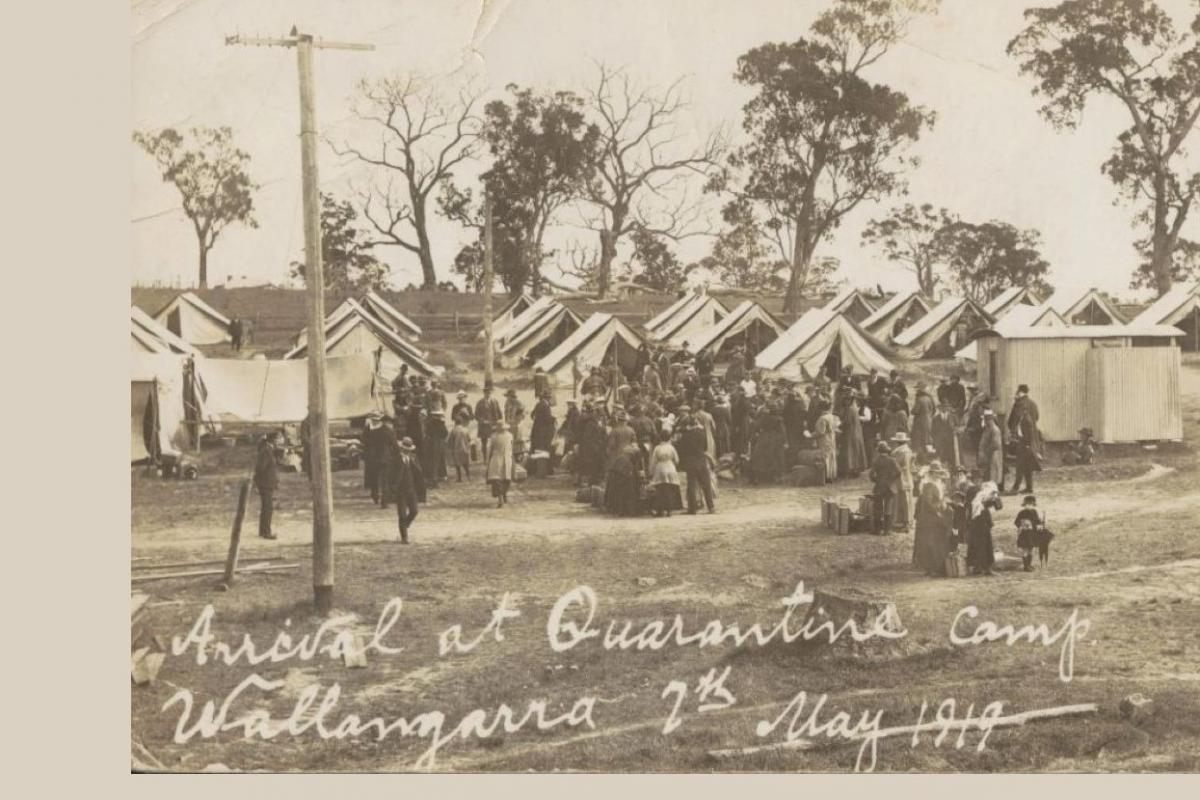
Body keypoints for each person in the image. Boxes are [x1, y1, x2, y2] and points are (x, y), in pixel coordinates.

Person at [913, 469, 954, 576]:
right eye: (935, 474)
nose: (938, 476)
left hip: (932, 518)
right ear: (931, 475)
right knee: (932, 544)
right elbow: (928, 502)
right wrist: (938, 512)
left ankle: (935, 568)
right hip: (930, 519)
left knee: (934, 543)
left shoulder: (935, 485)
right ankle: (932, 568)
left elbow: (936, 500)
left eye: (939, 474)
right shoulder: (929, 486)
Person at [675, 407, 715, 514]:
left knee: (691, 485)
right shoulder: (702, 434)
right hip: (701, 459)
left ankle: (692, 508)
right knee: (706, 484)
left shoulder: (685, 436)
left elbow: (681, 449)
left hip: (690, 461)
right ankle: (711, 506)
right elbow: (706, 447)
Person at [388, 435, 424, 544]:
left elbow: (418, 473)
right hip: (400, 491)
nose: (406, 452)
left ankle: (406, 524)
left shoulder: (413, 458)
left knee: (414, 511)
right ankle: (404, 537)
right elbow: (390, 475)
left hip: (411, 489)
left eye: (408, 450)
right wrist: (392, 487)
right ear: (401, 449)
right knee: (402, 514)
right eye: (405, 450)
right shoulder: (395, 460)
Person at [966, 482, 1003, 576]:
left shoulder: (984, 491)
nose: (977, 479)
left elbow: (998, 506)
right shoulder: (974, 492)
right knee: (980, 544)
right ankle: (979, 567)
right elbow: (975, 507)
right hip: (977, 522)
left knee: (985, 544)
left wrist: (995, 497)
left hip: (983, 522)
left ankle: (983, 567)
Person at [749, 403, 787, 484]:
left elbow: (756, 426)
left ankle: (758, 477)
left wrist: (757, 433)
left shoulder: (764, 418)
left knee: (760, 457)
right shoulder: (779, 419)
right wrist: (785, 441)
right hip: (774, 438)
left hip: (763, 437)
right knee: (774, 457)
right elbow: (783, 431)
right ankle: (773, 477)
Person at [648, 430, 683, 517]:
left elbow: (653, 461)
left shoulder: (657, 448)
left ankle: (660, 510)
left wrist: (651, 471)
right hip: (670, 467)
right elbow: (677, 460)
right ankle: (669, 510)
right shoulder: (671, 447)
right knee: (670, 489)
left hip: (660, 468)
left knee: (660, 490)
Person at [254, 431, 281, 540]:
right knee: (267, 508)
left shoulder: (268, 449)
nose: (280, 440)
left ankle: (263, 531)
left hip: (267, 483)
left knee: (266, 507)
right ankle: (266, 532)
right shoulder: (266, 451)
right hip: (265, 483)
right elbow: (260, 468)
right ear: (273, 439)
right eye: (279, 438)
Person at [1008, 405, 1041, 495]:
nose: (1016, 413)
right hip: (1024, 446)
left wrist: (1024, 444)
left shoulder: (1026, 420)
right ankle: (1029, 488)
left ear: (1023, 410)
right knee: (1027, 468)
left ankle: (1015, 488)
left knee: (1020, 467)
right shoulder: (1023, 419)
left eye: (1018, 410)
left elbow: (1029, 435)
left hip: (1025, 448)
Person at [605, 443, 645, 517]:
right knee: (631, 488)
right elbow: (629, 474)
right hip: (621, 480)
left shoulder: (622, 457)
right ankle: (630, 510)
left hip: (615, 479)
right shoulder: (628, 460)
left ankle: (621, 509)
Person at [868, 441, 899, 536]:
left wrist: (876, 480)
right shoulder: (892, 460)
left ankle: (877, 530)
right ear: (886, 450)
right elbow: (898, 472)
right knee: (888, 508)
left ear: (879, 451)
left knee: (878, 508)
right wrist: (891, 480)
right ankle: (887, 530)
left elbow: (871, 475)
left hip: (879, 486)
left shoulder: (876, 461)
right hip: (889, 487)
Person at [837, 392, 867, 479]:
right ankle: (855, 469)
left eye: (848, 400)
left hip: (851, 433)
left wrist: (839, 424)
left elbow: (847, 422)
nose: (846, 401)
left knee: (850, 451)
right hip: (855, 432)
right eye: (845, 399)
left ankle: (851, 469)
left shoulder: (850, 410)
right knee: (855, 450)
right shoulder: (852, 409)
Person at [361, 413, 389, 506]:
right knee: (384, 479)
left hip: (372, 458)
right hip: (383, 457)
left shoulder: (367, 429)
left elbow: (363, 441)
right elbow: (393, 441)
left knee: (374, 478)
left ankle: (375, 496)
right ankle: (384, 500)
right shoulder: (386, 429)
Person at [486, 421, 516, 507]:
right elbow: (511, 448)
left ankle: (500, 498)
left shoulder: (493, 436)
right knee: (506, 478)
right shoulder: (510, 436)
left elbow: (490, 449)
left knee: (496, 480)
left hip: (496, 458)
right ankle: (504, 494)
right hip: (507, 458)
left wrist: (488, 460)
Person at [891, 432, 915, 532]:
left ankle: (904, 523)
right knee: (907, 501)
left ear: (897, 442)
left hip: (900, 478)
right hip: (908, 478)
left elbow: (896, 466)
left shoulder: (899, 453)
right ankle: (907, 521)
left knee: (902, 501)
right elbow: (912, 466)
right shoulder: (909, 451)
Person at [1014, 494, 1044, 572]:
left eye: (1031, 504)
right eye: (1027, 504)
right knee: (1025, 550)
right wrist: (1022, 525)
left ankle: (1029, 564)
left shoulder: (1034, 512)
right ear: (1024, 505)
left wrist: (1039, 525)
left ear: (1033, 505)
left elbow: (1037, 521)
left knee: (1031, 549)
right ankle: (1026, 566)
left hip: (1032, 534)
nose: (1029, 506)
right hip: (1024, 534)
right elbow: (1016, 522)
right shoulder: (1022, 513)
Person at [474, 382, 502, 462]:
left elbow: (500, 413)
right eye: (486, 392)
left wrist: (498, 423)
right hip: (483, 426)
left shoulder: (495, 401)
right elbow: (476, 415)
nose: (488, 394)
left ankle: (493, 458)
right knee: (484, 443)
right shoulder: (480, 403)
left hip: (493, 425)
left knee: (495, 442)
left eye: (489, 392)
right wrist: (483, 421)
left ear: (491, 392)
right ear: (484, 393)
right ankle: (485, 459)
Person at [813, 400, 839, 485]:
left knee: (825, 456)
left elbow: (821, 432)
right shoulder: (833, 417)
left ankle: (826, 476)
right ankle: (832, 475)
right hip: (832, 438)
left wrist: (811, 435)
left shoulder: (822, 418)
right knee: (832, 456)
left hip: (824, 439)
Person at [977, 409, 1004, 486]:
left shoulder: (995, 430)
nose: (986, 421)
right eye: (986, 419)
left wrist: (986, 451)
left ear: (991, 419)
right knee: (988, 474)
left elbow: (995, 444)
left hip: (993, 455)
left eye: (987, 419)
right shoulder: (987, 428)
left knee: (994, 473)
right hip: (988, 456)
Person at [910, 382, 935, 461]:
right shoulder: (929, 398)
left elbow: (915, 411)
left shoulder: (919, 399)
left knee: (918, 440)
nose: (916, 390)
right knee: (927, 439)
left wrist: (912, 411)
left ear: (920, 389)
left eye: (917, 388)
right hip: (929, 421)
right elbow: (934, 410)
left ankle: (920, 458)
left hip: (919, 422)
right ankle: (927, 458)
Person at [423, 410, 448, 488]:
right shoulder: (441, 424)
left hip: (430, 444)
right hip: (438, 444)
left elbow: (427, 433)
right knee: (437, 462)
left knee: (431, 462)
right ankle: (435, 480)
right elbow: (445, 433)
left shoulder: (428, 424)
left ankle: (431, 479)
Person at [931, 403, 960, 470]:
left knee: (951, 457)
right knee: (941, 457)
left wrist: (955, 431)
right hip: (940, 442)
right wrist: (935, 440)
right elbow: (933, 431)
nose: (944, 408)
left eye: (945, 406)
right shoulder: (936, 418)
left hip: (950, 441)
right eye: (942, 407)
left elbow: (958, 426)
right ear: (940, 408)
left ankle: (952, 470)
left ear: (947, 408)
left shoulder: (953, 416)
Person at [530, 391, 556, 456]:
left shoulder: (538, 404)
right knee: (542, 446)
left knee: (536, 445)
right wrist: (554, 418)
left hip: (536, 427)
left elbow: (532, 415)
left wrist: (536, 420)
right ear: (547, 398)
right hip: (543, 429)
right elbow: (547, 419)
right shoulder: (545, 405)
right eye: (549, 398)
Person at [448, 414, 472, 482]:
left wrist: (450, 449)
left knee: (457, 465)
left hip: (456, 449)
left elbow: (450, 441)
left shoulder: (453, 430)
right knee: (465, 464)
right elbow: (469, 439)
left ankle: (459, 478)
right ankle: (468, 476)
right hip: (465, 449)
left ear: (455, 422)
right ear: (461, 422)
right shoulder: (466, 429)